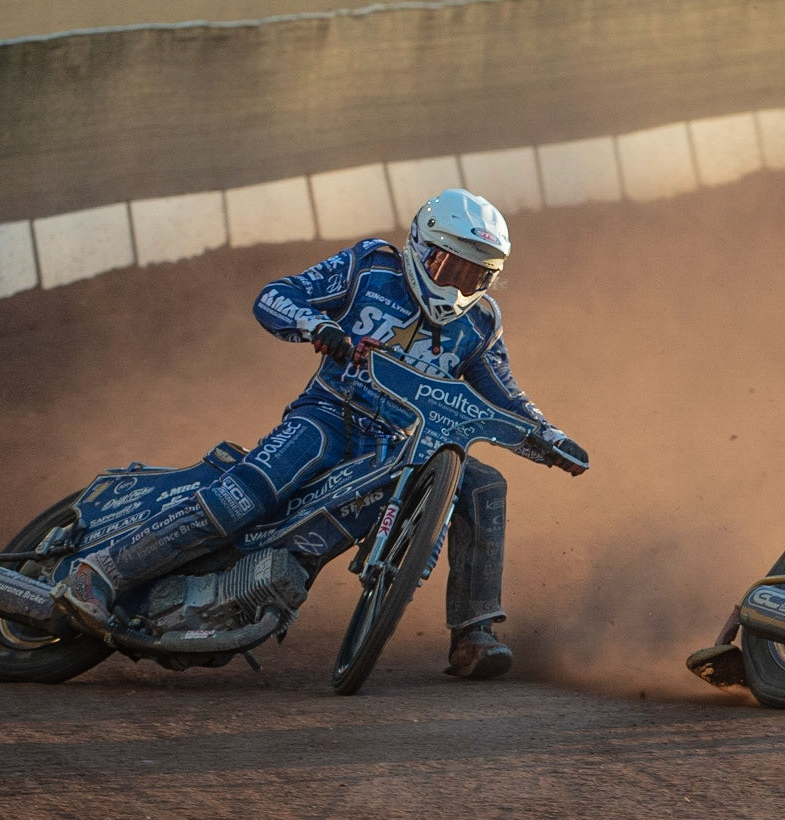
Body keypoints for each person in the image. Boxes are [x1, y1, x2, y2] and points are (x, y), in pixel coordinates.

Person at [53, 188, 588, 680]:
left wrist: (550, 436)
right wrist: (321, 327)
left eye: (475, 276)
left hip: (406, 446)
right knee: (246, 496)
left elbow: (505, 396)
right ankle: (98, 573)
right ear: (420, 246)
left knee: (483, 484)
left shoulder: (482, 324)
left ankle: (473, 633)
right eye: (447, 266)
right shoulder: (370, 266)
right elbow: (275, 296)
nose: (458, 286)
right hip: (329, 416)